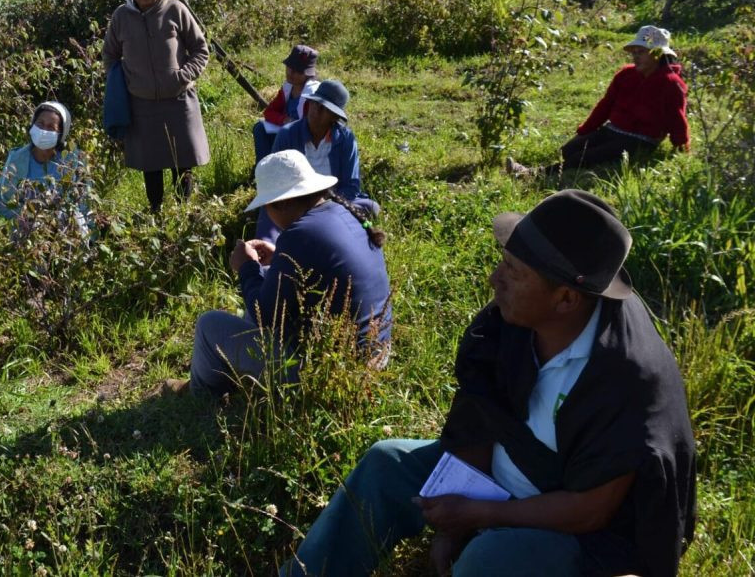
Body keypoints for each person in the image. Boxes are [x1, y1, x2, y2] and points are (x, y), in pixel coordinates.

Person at [280, 190, 696, 577]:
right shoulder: (515, 318)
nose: (495, 279)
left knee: (489, 560)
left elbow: (589, 511)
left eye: (514, 271)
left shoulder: (625, 382)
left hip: (579, 531)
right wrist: (454, 523)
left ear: (566, 299)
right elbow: (480, 410)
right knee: (385, 465)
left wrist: (481, 515)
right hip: (502, 480)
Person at [173, 150, 392, 398]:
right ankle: (236, 373)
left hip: (331, 375)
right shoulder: (344, 213)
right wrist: (279, 256)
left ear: (284, 202)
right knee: (267, 279)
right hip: (374, 358)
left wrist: (246, 267)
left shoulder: (299, 234)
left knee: (208, 324)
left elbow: (266, 317)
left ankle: (199, 395)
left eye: (267, 207)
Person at [102, 0, 210, 214]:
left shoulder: (176, 9)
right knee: (151, 166)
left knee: (182, 163)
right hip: (142, 105)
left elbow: (200, 49)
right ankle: (156, 214)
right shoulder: (120, 17)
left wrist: (183, 76)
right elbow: (109, 55)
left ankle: (184, 213)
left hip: (179, 101)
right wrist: (129, 82)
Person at [507, 26, 689, 178]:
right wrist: (585, 131)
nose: (635, 56)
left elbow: (676, 118)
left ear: (657, 55)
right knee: (569, 150)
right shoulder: (626, 75)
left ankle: (531, 174)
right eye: (634, 52)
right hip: (613, 130)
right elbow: (606, 105)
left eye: (641, 52)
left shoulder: (670, 83)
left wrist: (681, 147)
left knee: (584, 158)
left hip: (640, 139)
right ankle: (540, 170)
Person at [257, 80, 379, 242]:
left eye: (324, 109)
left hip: (333, 200)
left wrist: (328, 203)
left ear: (334, 117)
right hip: (295, 198)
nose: (317, 110)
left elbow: (351, 184)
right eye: (315, 104)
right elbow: (275, 176)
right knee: (270, 210)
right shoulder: (288, 134)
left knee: (370, 207)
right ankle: (267, 251)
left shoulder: (345, 139)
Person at [0, 101, 90, 237]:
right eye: (40, 124)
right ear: (32, 125)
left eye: (51, 127)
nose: (44, 130)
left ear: (61, 134)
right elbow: (2, 201)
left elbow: (86, 203)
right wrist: (24, 217)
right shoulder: (17, 158)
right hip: (28, 225)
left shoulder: (74, 161)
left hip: (66, 225)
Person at [253, 45, 321, 164]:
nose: (291, 73)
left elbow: (311, 129)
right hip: (286, 130)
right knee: (260, 128)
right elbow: (269, 112)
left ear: (307, 74)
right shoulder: (288, 88)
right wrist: (284, 120)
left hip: (303, 140)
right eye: (289, 68)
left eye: (297, 71)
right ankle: (262, 168)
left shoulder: (312, 94)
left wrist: (290, 127)